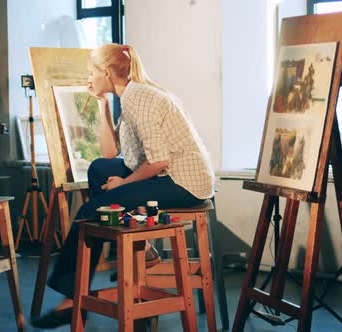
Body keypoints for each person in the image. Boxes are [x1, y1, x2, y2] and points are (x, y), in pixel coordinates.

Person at [31, 43, 215, 328]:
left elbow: (158, 162)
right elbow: (108, 153)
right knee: (98, 169)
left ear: (106, 71)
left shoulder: (138, 97)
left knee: (90, 211)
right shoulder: (127, 94)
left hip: (184, 182)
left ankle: (70, 298)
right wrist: (103, 104)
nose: (88, 78)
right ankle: (117, 235)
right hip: (166, 173)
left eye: (91, 72)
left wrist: (123, 185)